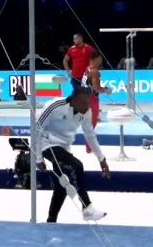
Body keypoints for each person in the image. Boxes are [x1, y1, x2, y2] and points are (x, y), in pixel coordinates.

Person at [35, 87, 110, 222]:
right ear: (74, 101)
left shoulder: (86, 111)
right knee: (77, 166)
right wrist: (37, 156)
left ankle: (51, 220)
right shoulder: (54, 106)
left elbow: (90, 135)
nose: (88, 107)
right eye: (84, 103)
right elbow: (36, 128)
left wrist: (101, 158)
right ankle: (87, 207)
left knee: (62, 185)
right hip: (47, 144)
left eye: (88, 103)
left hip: (64, 147)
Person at [82, 53, 113, 153]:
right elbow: (96, 87)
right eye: (100, 59)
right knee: (92, 123)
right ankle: (89, 146)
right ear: (95, 59)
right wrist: (106, 90)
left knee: (89, 122)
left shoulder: (87, 69)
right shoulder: (95, 71)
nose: (101, 61)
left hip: (84, 96)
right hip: (91, 98)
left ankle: (89, 145)